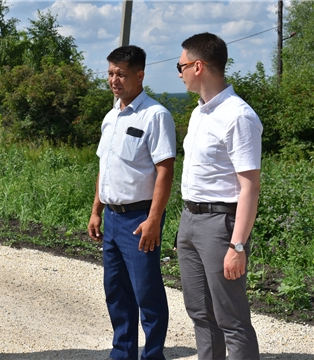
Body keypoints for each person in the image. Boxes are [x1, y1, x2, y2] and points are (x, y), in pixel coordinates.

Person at [176, 32, 262, 360]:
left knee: (232, 320)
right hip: (191, 220)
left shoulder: (238, 116)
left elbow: (250, 187)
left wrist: (237, 245)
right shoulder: (200, 113)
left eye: (180, 65)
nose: (179, 72)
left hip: (221, 225)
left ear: (198, 66)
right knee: (200, 313)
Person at [88, 45, 176, 360]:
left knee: (146, 293)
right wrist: (96, 211)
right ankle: (122, 353)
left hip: (140, 218)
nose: (114, 80)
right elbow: (104, 167)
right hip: (112, 217)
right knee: (116, 291)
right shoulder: (111, 117)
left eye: (121, 74)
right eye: (111, 73)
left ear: (139, 75)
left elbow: (165, 171)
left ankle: (152, 355)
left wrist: (154, 219)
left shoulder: (156, 115)